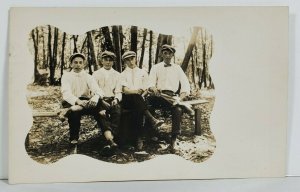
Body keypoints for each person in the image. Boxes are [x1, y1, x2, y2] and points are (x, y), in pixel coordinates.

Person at [61, 52, 117, 148]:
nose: (78, 65)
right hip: (72, 102)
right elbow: (66, 93)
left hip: (86, 102)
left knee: (100, 112)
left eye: (80, 62)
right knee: (74, 114)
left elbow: (99, 91)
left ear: (84, 64)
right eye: (75, 62)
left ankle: (109, 139)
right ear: (71, 64)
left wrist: (95, 98)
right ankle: (74, 139)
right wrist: (78, 101)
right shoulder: (66, 76)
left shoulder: (88, 76)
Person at [147, 44, 191, 152]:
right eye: (165, 53)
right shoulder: (155, 67)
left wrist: (180, 98)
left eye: (169, 53)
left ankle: (173, 139)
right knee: (147, 103)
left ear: (172, 55)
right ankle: (151, 134)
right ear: (161, 54)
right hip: (159, 96)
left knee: (177, 109)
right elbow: (150, 83)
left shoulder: (177, 68)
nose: (167, 55)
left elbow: (185, 85)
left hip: (172, 97)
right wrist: (153, 88)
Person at [120, 51, 163, 150]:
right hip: (127, 100)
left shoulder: (142, 72)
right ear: (125, 61)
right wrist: (136, 92)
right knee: (136, 98)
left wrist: (142, 95)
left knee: (138, 107)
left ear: (135, 59)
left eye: (132, 59)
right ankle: (152, 120)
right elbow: (125, 91)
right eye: (128, 60)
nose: (130, 61)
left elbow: (146, 88)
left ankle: (137, 138)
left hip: (140, 100)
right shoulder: (123, 74)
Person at [92, 51, 121, 144]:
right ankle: (110, 139)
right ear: (102, 61)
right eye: (106, 60)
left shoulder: (117, 75)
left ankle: (111, 138)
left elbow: (119, 91)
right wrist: (101, 101)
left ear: (113, 62)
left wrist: (116, 99)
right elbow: (93, 91)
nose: (108, 62)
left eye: (110, 60)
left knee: (117, 112)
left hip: (112, 99)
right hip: (100, 100)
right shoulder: (96, 74)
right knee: (101, 114)